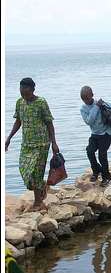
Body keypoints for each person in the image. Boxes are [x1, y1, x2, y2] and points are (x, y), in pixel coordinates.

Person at [5, 78, 59, 211]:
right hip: (27, 144)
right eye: (21, 91)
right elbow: (18, 121)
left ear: (33, 90)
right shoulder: (20, 102)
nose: (23, 94)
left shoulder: (41, 103)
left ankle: (38, 202)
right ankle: (42, 187)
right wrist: (9, 138)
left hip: (41, 143)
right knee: (25, 170)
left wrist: (54, 143)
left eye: (26, 91)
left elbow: (49, 124)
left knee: (36, 172)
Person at [80, 86, 111, 187]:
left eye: (87, 97)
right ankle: (96, 170)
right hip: (95, 134)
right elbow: (89, 121)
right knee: (90, 151)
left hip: (106, 133)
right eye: (83, 98)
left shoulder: (100, 103)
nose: (85, 100)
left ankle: (106, 176)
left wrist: (100, 106)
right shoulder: (83, 109)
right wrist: (96, 107)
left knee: (102, 155)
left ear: (92, 95)